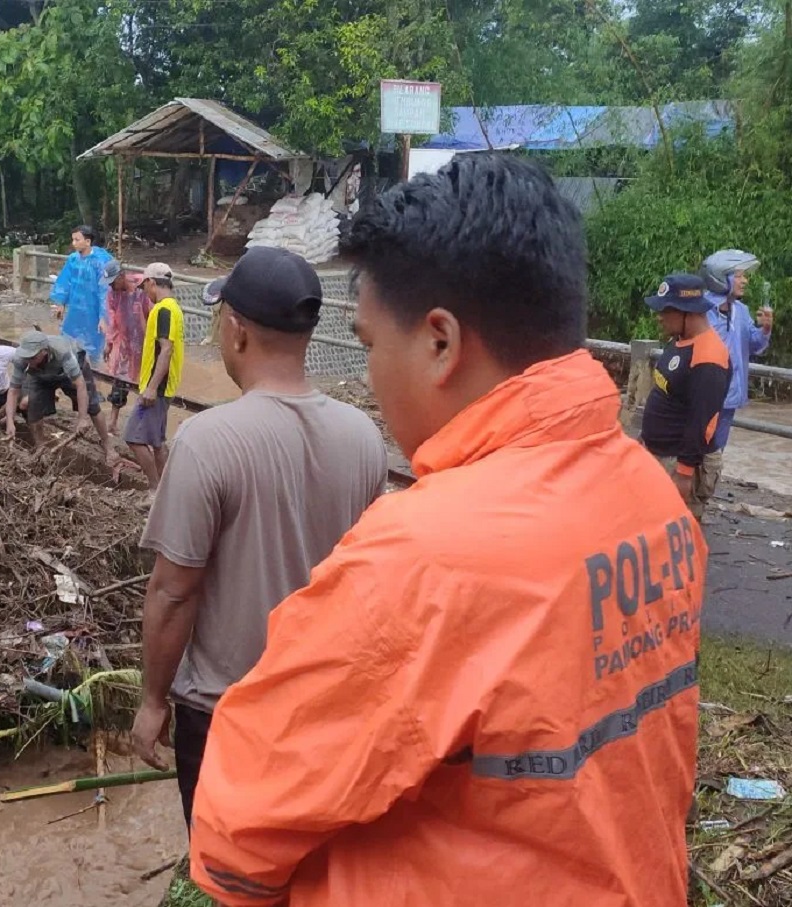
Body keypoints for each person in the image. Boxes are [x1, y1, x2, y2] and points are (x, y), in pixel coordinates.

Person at [189, 154, 707, 907]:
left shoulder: (422, 560)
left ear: (440, 342)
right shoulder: (652, 499)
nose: (372, 376)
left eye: (371, 345)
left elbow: (236, 831)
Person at [133, 245, 388, 827]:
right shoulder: (363, 437)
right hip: (325, 712)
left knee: (230, 866)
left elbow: (173, 591)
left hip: (229, 715)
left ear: (236, 330)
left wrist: (152, 701)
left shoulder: (207, 441)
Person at [640, 274, 732, 520]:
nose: (659, 316)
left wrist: (684, 473)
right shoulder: (680, 340)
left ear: (688, 313)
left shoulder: (709, 358)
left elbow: (702, 422)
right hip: (660, 455)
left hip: (680, 463)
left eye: (666, 310)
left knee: (675, 533)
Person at [701, 249, 774, 458]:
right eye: (739, 276)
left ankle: (709, 480)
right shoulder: (701, 311)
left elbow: (754, 345)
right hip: (705, 396)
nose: (745, 281)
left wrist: (765, 329)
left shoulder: (740, 310)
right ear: (721, 278)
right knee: (696, 451)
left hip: (730, 397)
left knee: (715, 456)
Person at [5, 330, 115, 462]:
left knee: (92, 407)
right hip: (40, 376)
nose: (28, 361)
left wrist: (82, 418)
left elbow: (80, 385)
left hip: (68, 373)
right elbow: (13, 391)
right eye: (26, 358)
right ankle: (40, 448)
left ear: (44, 351)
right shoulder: (21, 360)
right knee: (33, 410)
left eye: (32, 358)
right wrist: (10, 422)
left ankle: (108, 445)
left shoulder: (63, 352)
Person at [122, 262, 182, 491]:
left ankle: (155, 490)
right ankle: (167, 491)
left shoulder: (163, 310)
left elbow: (166, 350)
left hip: (156, 388)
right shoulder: (174, 308)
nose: (145, 292)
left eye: (144, 286)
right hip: (164, 386)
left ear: (152, 283)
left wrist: (151, 387)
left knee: (132, 437)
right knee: (157, 442)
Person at [99, 260, 151, 430]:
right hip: (124, 342)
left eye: (113, 282)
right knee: (119, 381)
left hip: (145, 342)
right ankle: (113, 421)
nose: (111, 286)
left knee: (146, 383)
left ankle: (142, 422)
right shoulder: (112, 294)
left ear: (121, 276)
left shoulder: (142, 287)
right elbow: (113, 320)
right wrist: (109, 342)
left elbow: (153, 313)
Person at [49, 225, 113, 361]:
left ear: (88, 241)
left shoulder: (101, 261)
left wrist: (104, 317)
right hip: (76, 309)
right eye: (73, 240)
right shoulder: (73, 259)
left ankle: (94, 366)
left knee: (95, 343)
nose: (74, 243)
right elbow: (65, 281)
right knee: (71, 341)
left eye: (77, 240)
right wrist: (61, 302)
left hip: (93, 310)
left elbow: (105, 291)